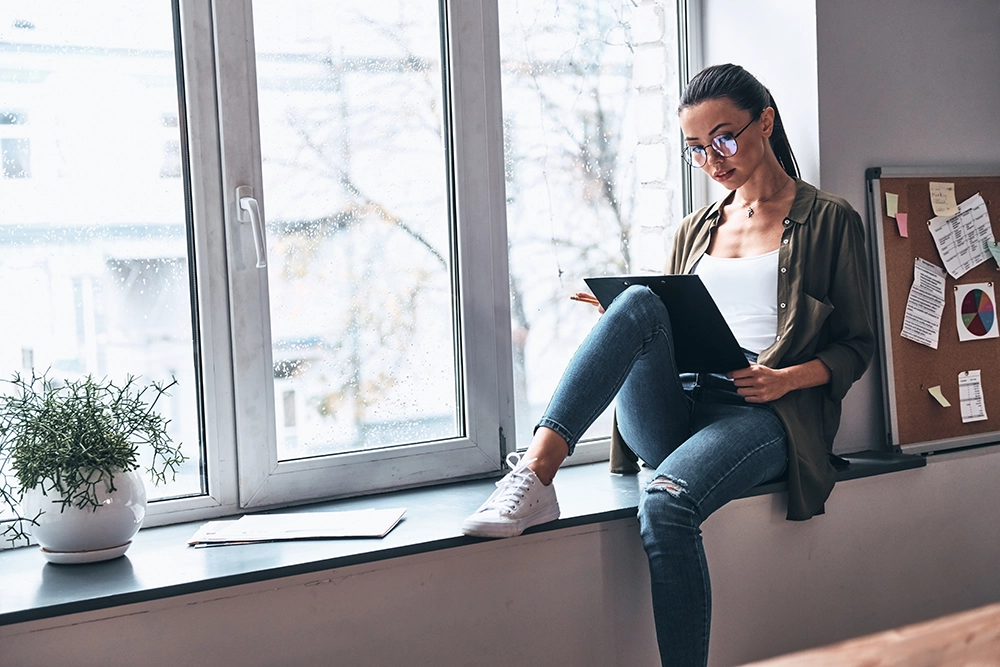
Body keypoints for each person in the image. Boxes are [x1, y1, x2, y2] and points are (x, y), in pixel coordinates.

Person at [461, 63, 874, 666]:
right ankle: (536, 475)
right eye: (696, 149)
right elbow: (676, 325)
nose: (713, 159)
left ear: (765, 121)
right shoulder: (693, 230)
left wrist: (785, 377)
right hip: (678, 408)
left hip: (764, 413)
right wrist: (622, 320)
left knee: (665, 504)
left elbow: (857, 345)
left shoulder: (828, 220)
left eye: (725, 138)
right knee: (634, 302)